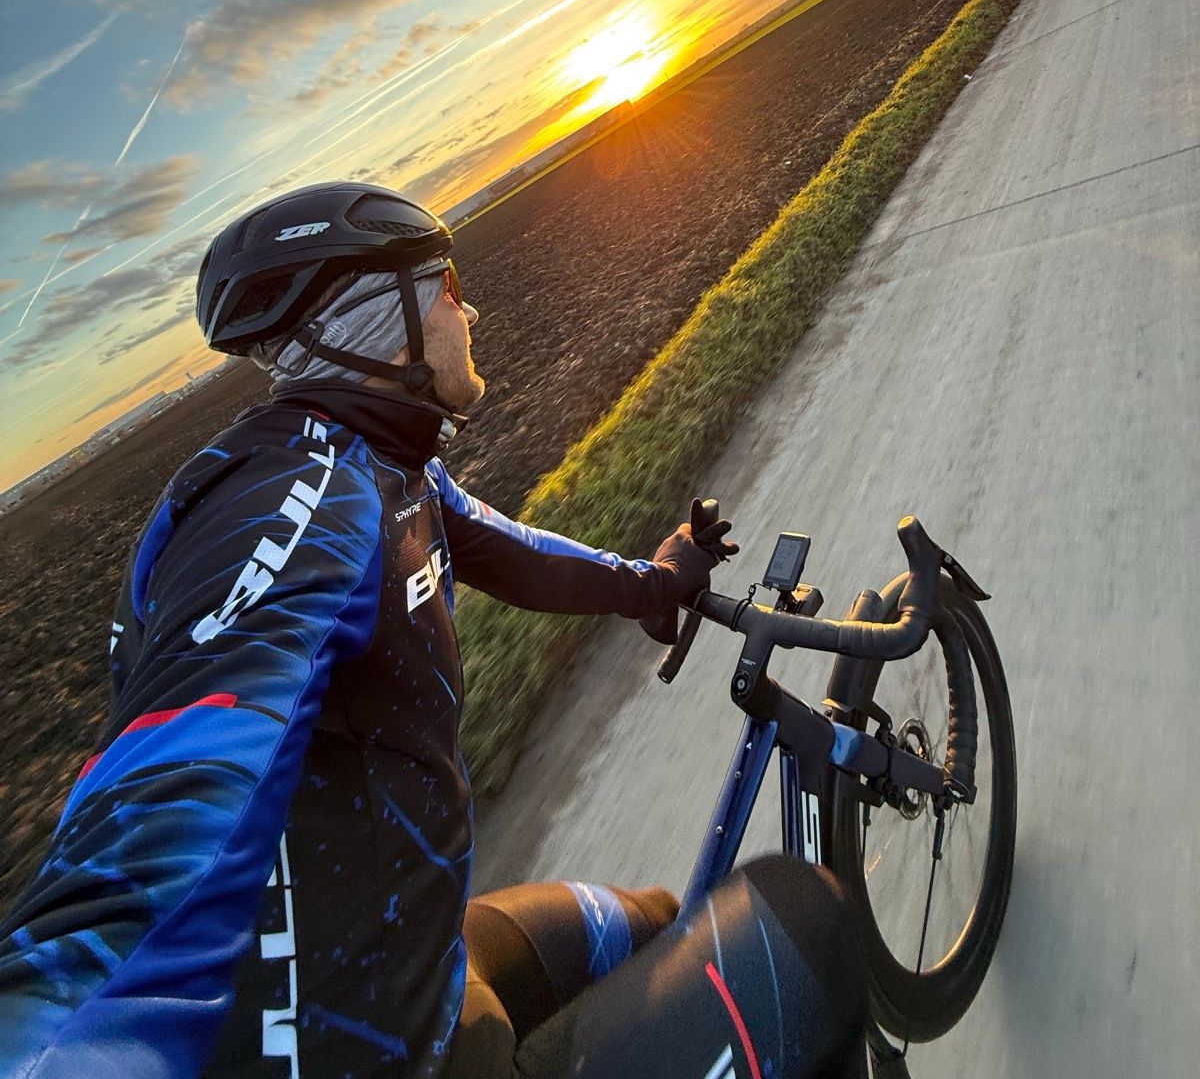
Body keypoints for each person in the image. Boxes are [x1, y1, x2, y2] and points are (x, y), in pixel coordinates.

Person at [0, 182, 867, 1079]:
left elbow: (515, 552)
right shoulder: (296, 503)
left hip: (429, 965)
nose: (471, 309)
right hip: (392, 1052)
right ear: (384, 318)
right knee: (804, 940)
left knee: (655, 922)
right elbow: (160, 811)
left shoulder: (379, 466)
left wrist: (651, 584)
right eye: (448, 286)